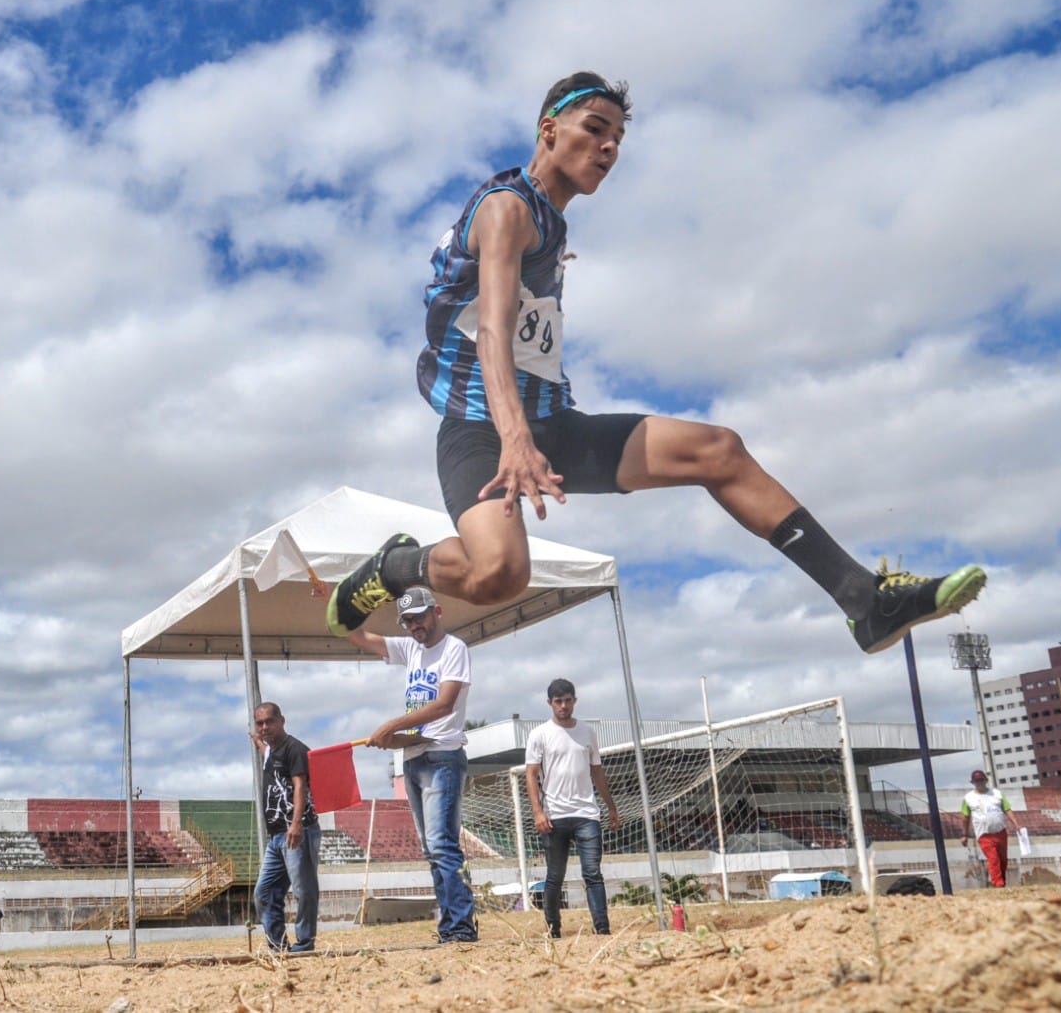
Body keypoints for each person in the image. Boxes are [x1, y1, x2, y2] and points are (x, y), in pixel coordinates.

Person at [325, 71, 986, 656]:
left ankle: (863, 599)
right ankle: (397, 565)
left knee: (718, 449)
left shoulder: (552, 224)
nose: (609, 148)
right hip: (482, 430)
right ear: (548, 130)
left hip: (552, 422)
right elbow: (493, 331)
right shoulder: (506, 211)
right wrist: (515, 439)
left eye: (618, 139)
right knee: (501, 574)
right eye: (595, 129)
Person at [347, 587, 478, 943]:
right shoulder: (409, 648)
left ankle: (462, 927)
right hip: (414, 756)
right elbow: (358, 637)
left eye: (418, 617)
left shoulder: (454, 649)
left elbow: (444, 705)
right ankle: (450, 927)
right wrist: (340, 602)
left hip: (443, 754)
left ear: (437, 611)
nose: (413, 626)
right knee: (431, 850)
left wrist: (392, 725)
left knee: (442, 846)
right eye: (406, 621)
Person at [524, 679, 619, 938]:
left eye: (567, 700)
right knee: (555, 876)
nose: (563, 705)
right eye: (558, 701)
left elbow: (597, 771)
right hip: (554, 815)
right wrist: (538, 812)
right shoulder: (539, 734)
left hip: (587, 813)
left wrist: (611, 807)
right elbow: (531, 775)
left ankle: (602, 928)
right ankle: (553, 929)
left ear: (574, 700)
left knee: (593, 873)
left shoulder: (587, 732)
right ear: (550, 703)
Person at [250, 701, 322, 953]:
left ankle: (305, 942)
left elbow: (300, 786)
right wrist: (257, 741)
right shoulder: (271, 752)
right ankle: (278, 945)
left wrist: (296, 824)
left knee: (304, 889)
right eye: (259, 723)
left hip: (296, 832)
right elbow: (265, 751)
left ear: (282, 720)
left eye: (270, 721)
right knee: (264, 891)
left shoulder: (295, 749)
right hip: (276, 837)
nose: (265, 727)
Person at [959, 769, 1017, 888]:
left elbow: (1007, 809)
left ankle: (1001, 882)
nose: (979, 783)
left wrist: (1016, 824)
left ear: (986, 780)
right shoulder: (969, 798)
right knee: (993, 859)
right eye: (976, 781)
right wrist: (964, 835)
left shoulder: (997, 794)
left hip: (1000, 832)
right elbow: (965, 817)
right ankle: (998, 884)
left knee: (1002, 859)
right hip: (984, 834)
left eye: (981, 780)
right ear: (973, 783)